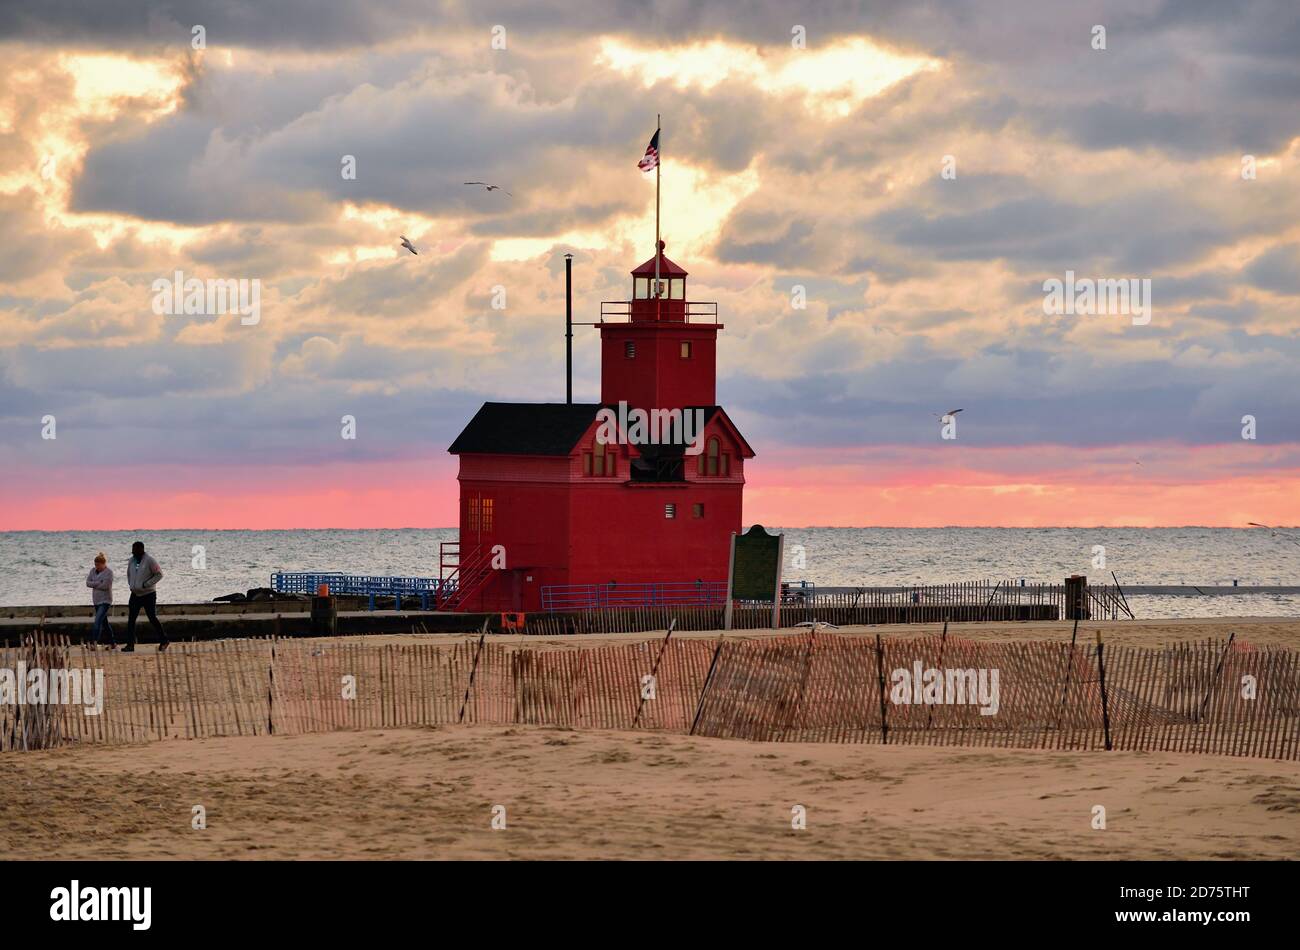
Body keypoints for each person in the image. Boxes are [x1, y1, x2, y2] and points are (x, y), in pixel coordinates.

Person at [124, 541, 169, 653]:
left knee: (152, 618)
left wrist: (146, 584)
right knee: (131, 620)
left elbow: (159, 574)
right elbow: (129, 574)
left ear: (141, 550)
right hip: (135, 594)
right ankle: (130, 645)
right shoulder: (131, 560)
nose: (133, 552)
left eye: (135, 550)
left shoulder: (149, 560)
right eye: (132, 550)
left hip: (148, 594)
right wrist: (131, 585)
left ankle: (164, 641)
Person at [85, 552, 115, 649]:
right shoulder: (93, 571)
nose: (96, 567)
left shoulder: (109, 572)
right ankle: (112, 643)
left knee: (97, 621)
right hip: (96, 600)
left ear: (104, 564)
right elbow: (88, 583)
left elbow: (106, 586)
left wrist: (94, 584)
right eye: (95, 565)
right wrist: (98, 583)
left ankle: (93, 642)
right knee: (104, 623)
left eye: (98, 565)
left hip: (105, 600)